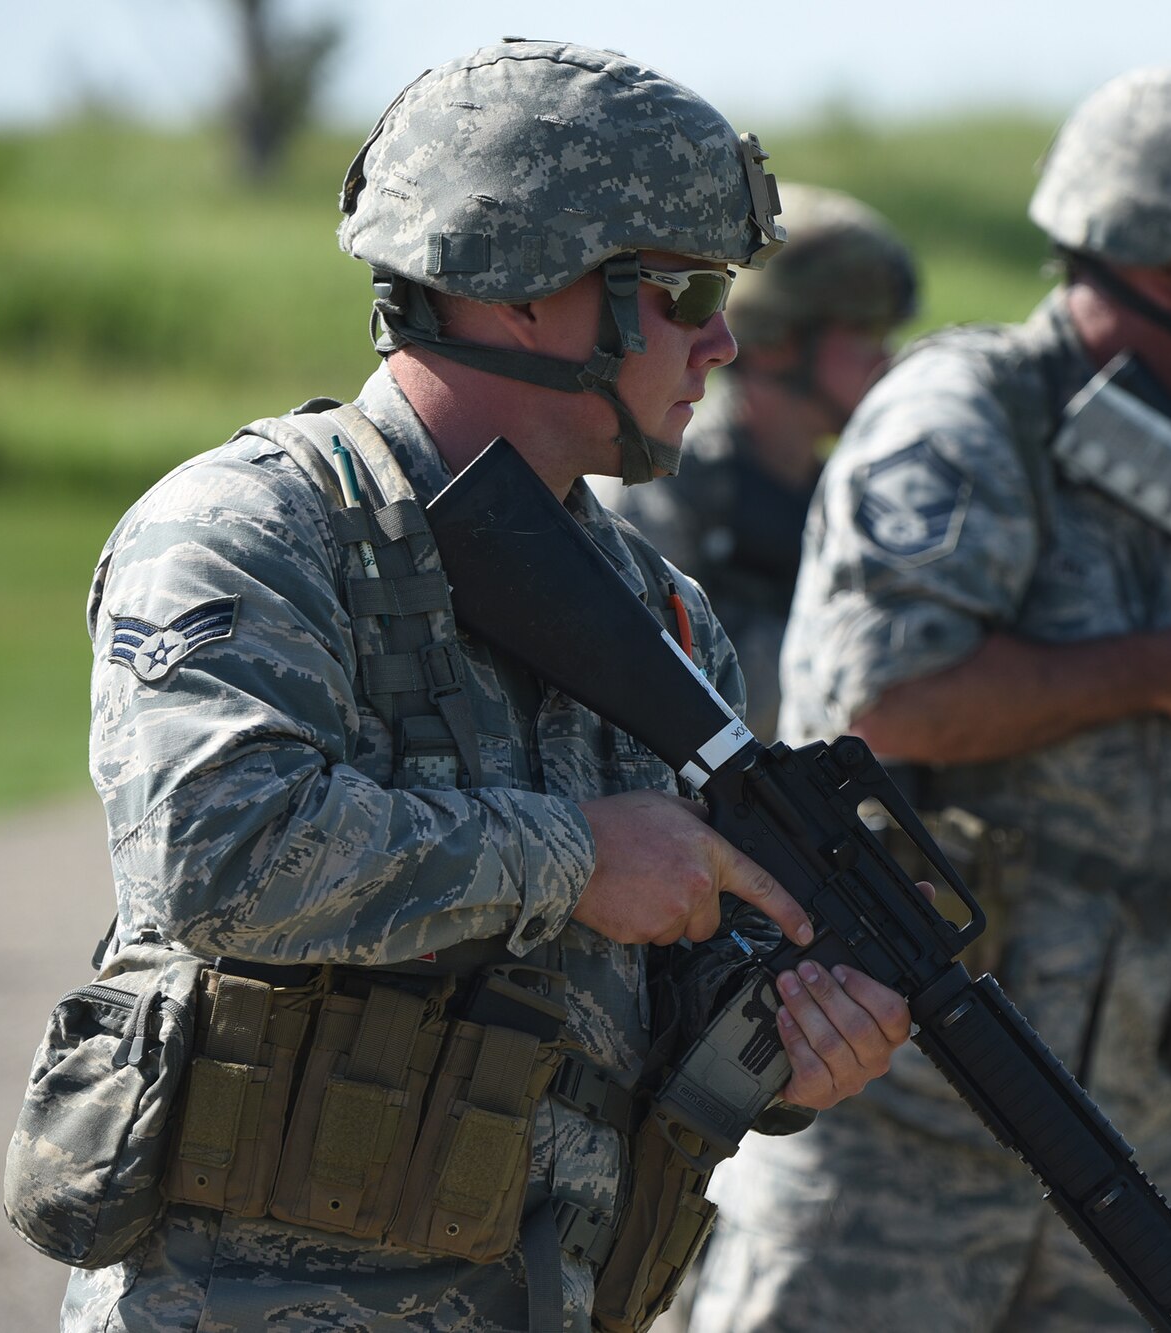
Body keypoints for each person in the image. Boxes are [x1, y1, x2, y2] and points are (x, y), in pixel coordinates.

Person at [62, 40, 914, 1333]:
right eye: (684, 291)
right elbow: (213, 850)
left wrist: (786, 1037)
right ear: (521, 289)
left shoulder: (661, 612)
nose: (723, 342)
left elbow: (666, 995)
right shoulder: (255, 528)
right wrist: (572, 857)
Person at [683, 60, 1171, 1332]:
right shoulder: (965, 419)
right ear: (1168, 255)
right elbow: (871, 707)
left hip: (1137, 1155)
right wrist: (1169, 670)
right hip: (902, 1143)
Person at [601, 184, 918, 738]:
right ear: (777, 340)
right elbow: (630, 677)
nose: (888, 359)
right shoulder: (661, 483)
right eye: (867, 334)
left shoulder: (852, 490)